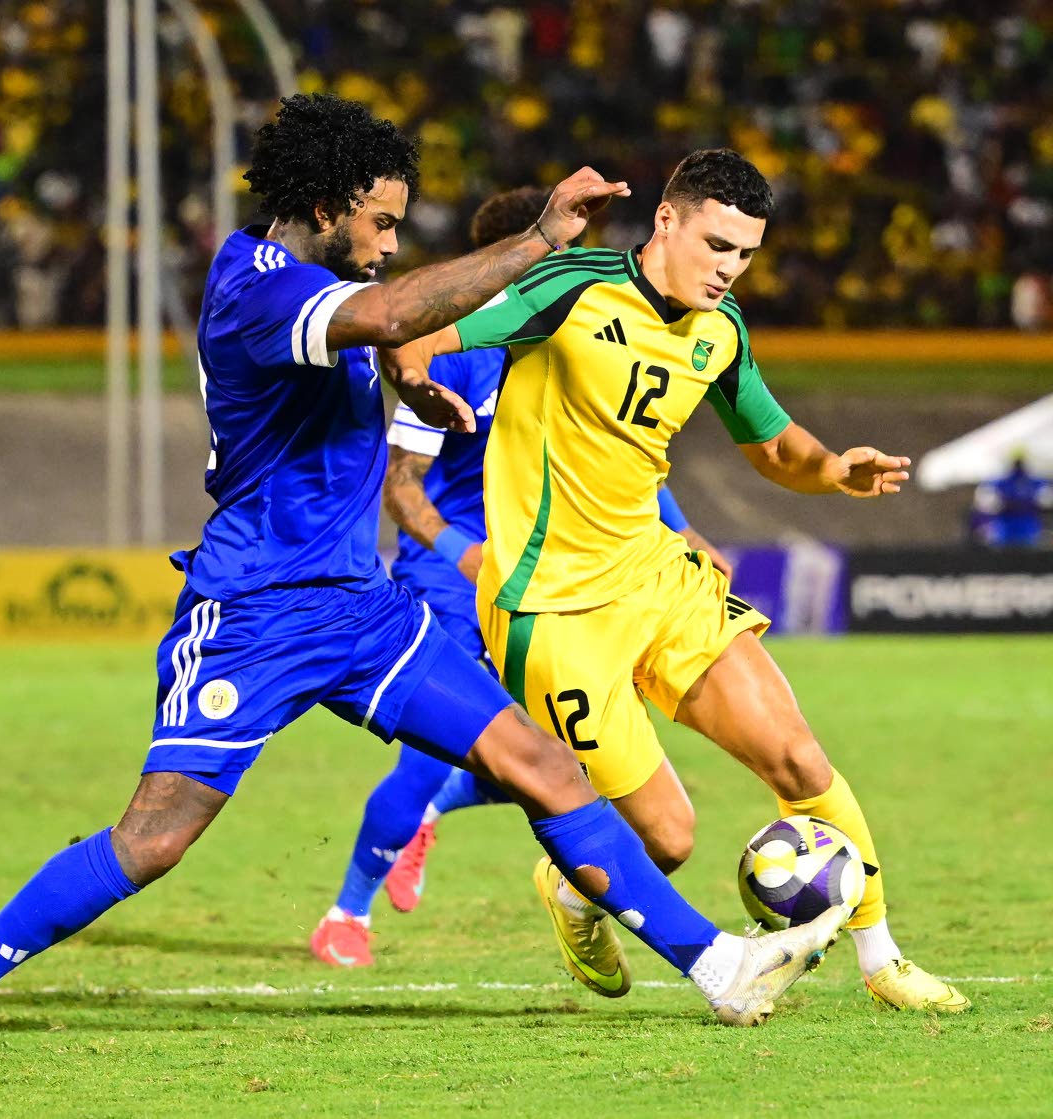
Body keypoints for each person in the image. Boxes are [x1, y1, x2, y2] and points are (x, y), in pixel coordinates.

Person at [0, 97, 847, 1059]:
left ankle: (720, 966)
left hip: (364, 609)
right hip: (254, 611)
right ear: (327, 208)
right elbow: (379, 313)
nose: (388, 239)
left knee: (541, 764)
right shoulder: (255, 283)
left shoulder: (310, 288)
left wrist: (409, 382)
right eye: (380, 221)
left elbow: (372, 341)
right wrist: (542, 238)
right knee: (154, 839)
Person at [381, 148, 969, 1014]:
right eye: (717, 245)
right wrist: (416, 373)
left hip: (660, 577)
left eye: (746, 255)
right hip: (552, 609)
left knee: (798, 755)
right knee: (667, 836)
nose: (729, 270)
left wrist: (835, 467)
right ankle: (576, 888)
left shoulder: (720, 333)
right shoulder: (572, 287)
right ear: (667, 219)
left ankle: (883, 961)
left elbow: (774, 447)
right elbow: (429, 327)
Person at [311, 187, 732, 967]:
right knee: (433, 749)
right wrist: (459, 553)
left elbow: (623, 464)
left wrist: (686, 532)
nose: (575, 271)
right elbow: (400, 485)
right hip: (457, 582)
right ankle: (347, 914)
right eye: (556, 257)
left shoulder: (579, 342)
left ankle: (437, 810)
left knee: (571, 756)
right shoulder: (457, 348)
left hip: (560, 575)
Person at [968, 454, 1052, 548]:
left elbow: (1046, 500)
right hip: (1006, 528)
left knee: (1027, 553)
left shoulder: (1035, 481)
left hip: (1028, 527)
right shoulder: (999, 482)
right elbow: (986, 502)